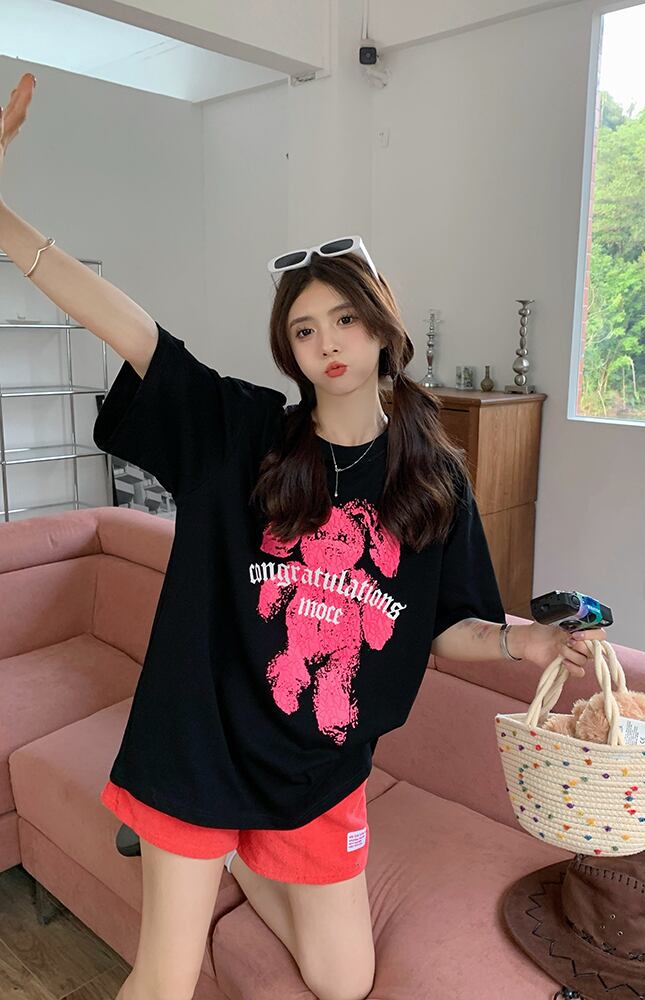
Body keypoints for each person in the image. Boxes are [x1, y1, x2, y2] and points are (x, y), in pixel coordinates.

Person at [0, 73, 606, 1000]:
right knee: (164, 978)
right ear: (289, 349)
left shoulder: (433, 477)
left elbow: (446, 624)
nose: (329, 342)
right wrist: (7, 226)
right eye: (306, 327)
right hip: (200, 742)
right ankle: (207, 847)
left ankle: (246, 862)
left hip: (321, 767)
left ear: (381, 326)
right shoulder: (244, 434)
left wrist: (523, 641)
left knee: (343, 981)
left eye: (347, 319)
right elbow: (132, 331)